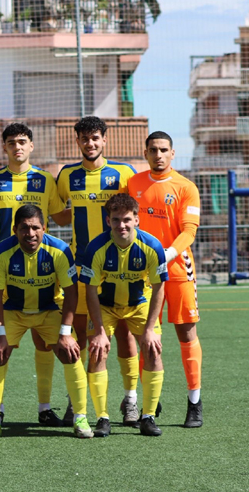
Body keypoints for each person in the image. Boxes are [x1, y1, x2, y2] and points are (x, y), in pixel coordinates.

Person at [0, 204, 91, 440]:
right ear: (15, 230)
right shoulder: (1, 252)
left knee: (71, 353)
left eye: (35, 228)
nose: (30, 234)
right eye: (24, 228)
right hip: (13, 311)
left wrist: (66, 332)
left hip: (49, 309)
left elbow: (71, 294)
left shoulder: (59, 251)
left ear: (44, 228)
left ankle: (80, 417)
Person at [0, 122, 70, 427]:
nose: (17, 147)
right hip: (7, 271)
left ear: (31, 146)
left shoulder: (46, 180)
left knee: (45, 341)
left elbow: (58, 215)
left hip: (43, 269)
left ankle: (45, 408)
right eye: (11, 143)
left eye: (22, 141)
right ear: (3, 148)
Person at [56, 115, 140, 426]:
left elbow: (132, 216)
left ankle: (130, 400)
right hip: (81, 269)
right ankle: (75, 402)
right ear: (77, 141)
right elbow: (58, 215)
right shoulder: (66, 176)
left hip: (119, 269)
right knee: (79, 336)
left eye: (95, 138)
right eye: (84, 139)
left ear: (105, 139)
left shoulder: (124, 173)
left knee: (125, 336)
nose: (90, 144)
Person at [128, 131, 203, 428]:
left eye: (163, 150)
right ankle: (149, 401)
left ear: (172, 153)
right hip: (144, 274)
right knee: (147, 337)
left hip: (177, 270)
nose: (158, 155)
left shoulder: (187, 187)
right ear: (145, 153)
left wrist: (166, 253)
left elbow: (189, 231)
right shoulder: (133, 183)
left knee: (186, 334)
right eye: (152, 150)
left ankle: (195, 402)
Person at [80, 193, 168, 437]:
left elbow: (159, 288)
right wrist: (98, 331)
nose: (122, 225)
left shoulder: (152, 247)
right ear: (108, 221)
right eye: (116, 220)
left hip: (138, 304)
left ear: (137, 220)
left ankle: (148, 416)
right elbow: (90, 291)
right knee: (98, 350)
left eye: (127, 219)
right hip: (105, 305)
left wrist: (150, 330)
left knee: (152, 348)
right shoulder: (96, 248)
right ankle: (102, 417)